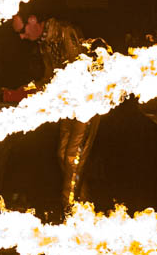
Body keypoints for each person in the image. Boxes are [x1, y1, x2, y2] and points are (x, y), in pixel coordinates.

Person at [12, 13, 99, 211]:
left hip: (87, 102)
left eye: (21, 31)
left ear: (32, 20)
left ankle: (70, 211)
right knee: (62, 155)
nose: (21, 37)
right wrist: (24, 90)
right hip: (69, 104)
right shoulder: (44, 43)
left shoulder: (65, 32)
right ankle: (82, 207)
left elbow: (79, 69)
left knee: (72, 158)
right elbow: (49, 76)